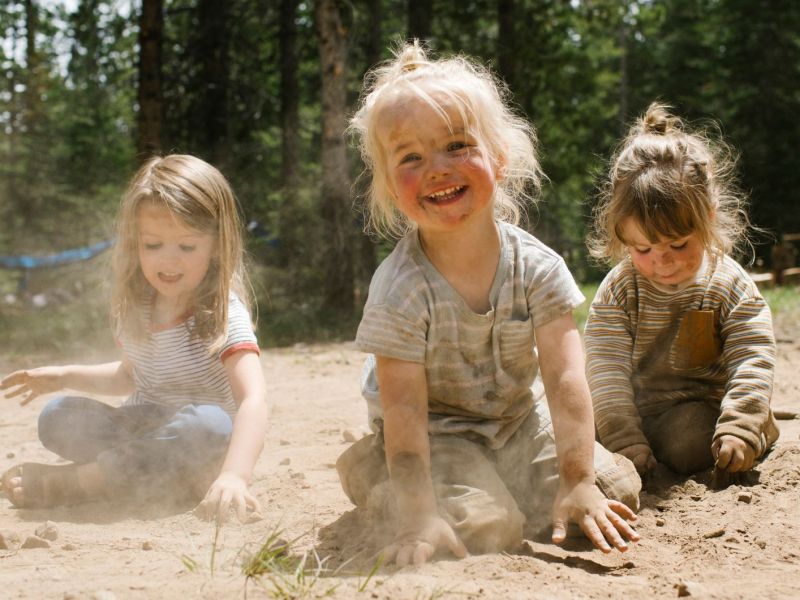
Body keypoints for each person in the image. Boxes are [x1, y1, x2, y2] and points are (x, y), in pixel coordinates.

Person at [336, 42, 641, 567]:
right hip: (433, 432)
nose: (436, 168)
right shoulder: (400, 290)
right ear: (388, 185)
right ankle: (373, 470)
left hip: (516, 421)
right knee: (486, 526)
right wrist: (417, 514)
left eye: (456, 145)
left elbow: (566, 379)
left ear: (498, 158)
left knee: (614, 488)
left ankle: (509, 482)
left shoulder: (538, 267)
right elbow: (406, 410)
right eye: (410, 157)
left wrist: (578, 480)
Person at [0, 154, 268, 523]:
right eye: (153, 245)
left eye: (186, 247)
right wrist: (61, 376)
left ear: (217, 244)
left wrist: (235, 476)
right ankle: (147, 477)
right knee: (57, 415)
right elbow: (130, 376)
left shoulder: (224, 313)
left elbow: (253, 398)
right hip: (146, 436)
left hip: (199, 444)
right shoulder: (136, 307)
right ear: (134, 243)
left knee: (209, 425)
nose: (168, 261)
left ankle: (82, 482)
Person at [585, 103, 779, 478]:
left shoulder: (727, 284)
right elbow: (605, 370)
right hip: (635, 408)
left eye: (677, 245)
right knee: (575, 427)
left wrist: (740, 422)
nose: (662, 261)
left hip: (700, 406)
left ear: (707, 217)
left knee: (688, 444)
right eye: (642, 250)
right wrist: (624, 439)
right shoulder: (620, 290)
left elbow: (753, 354)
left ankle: (756, 426)